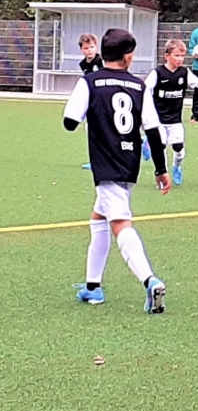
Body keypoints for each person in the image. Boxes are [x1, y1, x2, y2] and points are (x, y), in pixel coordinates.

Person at [63, 27, 170, 313]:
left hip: (105, 164)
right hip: (129, 162)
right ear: (128, 57)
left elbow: (70, 122)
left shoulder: (90, 82)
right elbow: (153, 131)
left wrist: (94, 112)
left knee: (121, 224)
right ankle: (92, 287)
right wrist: (161, 169)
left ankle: (150, 281)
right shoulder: (139, 86)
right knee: (99, 218)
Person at [140, 39, 198, 185]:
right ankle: (162, 173)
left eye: (182, 56)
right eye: (177, 55)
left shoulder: (184, 73)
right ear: (167, 56)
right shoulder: (157, 73)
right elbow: (145, 91)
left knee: (178, 148)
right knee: (161, 147)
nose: (180, 59)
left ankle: (176, 167)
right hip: (158, 121)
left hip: (175, 120)